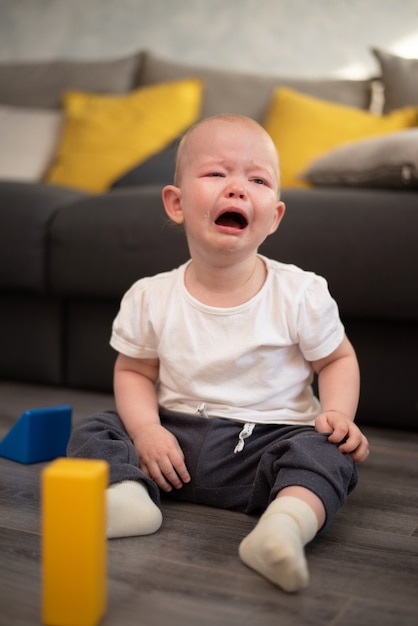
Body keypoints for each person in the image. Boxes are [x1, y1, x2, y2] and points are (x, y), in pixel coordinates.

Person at [67, 114, 369, 593]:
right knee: (97, 426)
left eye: (257, 179)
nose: (237, 189)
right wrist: (146, 431)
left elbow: (336, 359)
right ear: (176, 203)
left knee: (328, 452)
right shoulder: (150, 295)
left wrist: (336, 414)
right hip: (171, 445)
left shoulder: (301, 293)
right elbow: (133, 371)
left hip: (266, 444)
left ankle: (284, 526)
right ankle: (128, 498)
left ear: (274, 216)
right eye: (216, 173)